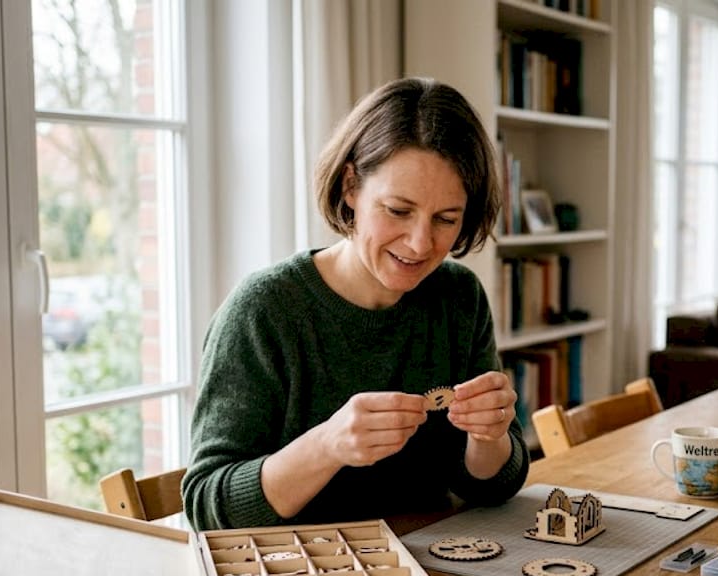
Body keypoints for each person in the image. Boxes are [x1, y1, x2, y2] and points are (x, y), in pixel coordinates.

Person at [182, 77, 530, 530]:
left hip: (431, 564)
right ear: (351, 187)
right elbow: (208, 506)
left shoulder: (459, 298)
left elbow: (492, 488)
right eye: (398, 211)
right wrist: (327, 446)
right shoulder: (263, 311)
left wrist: (491, 435)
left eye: (446, 219)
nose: (420, 243)